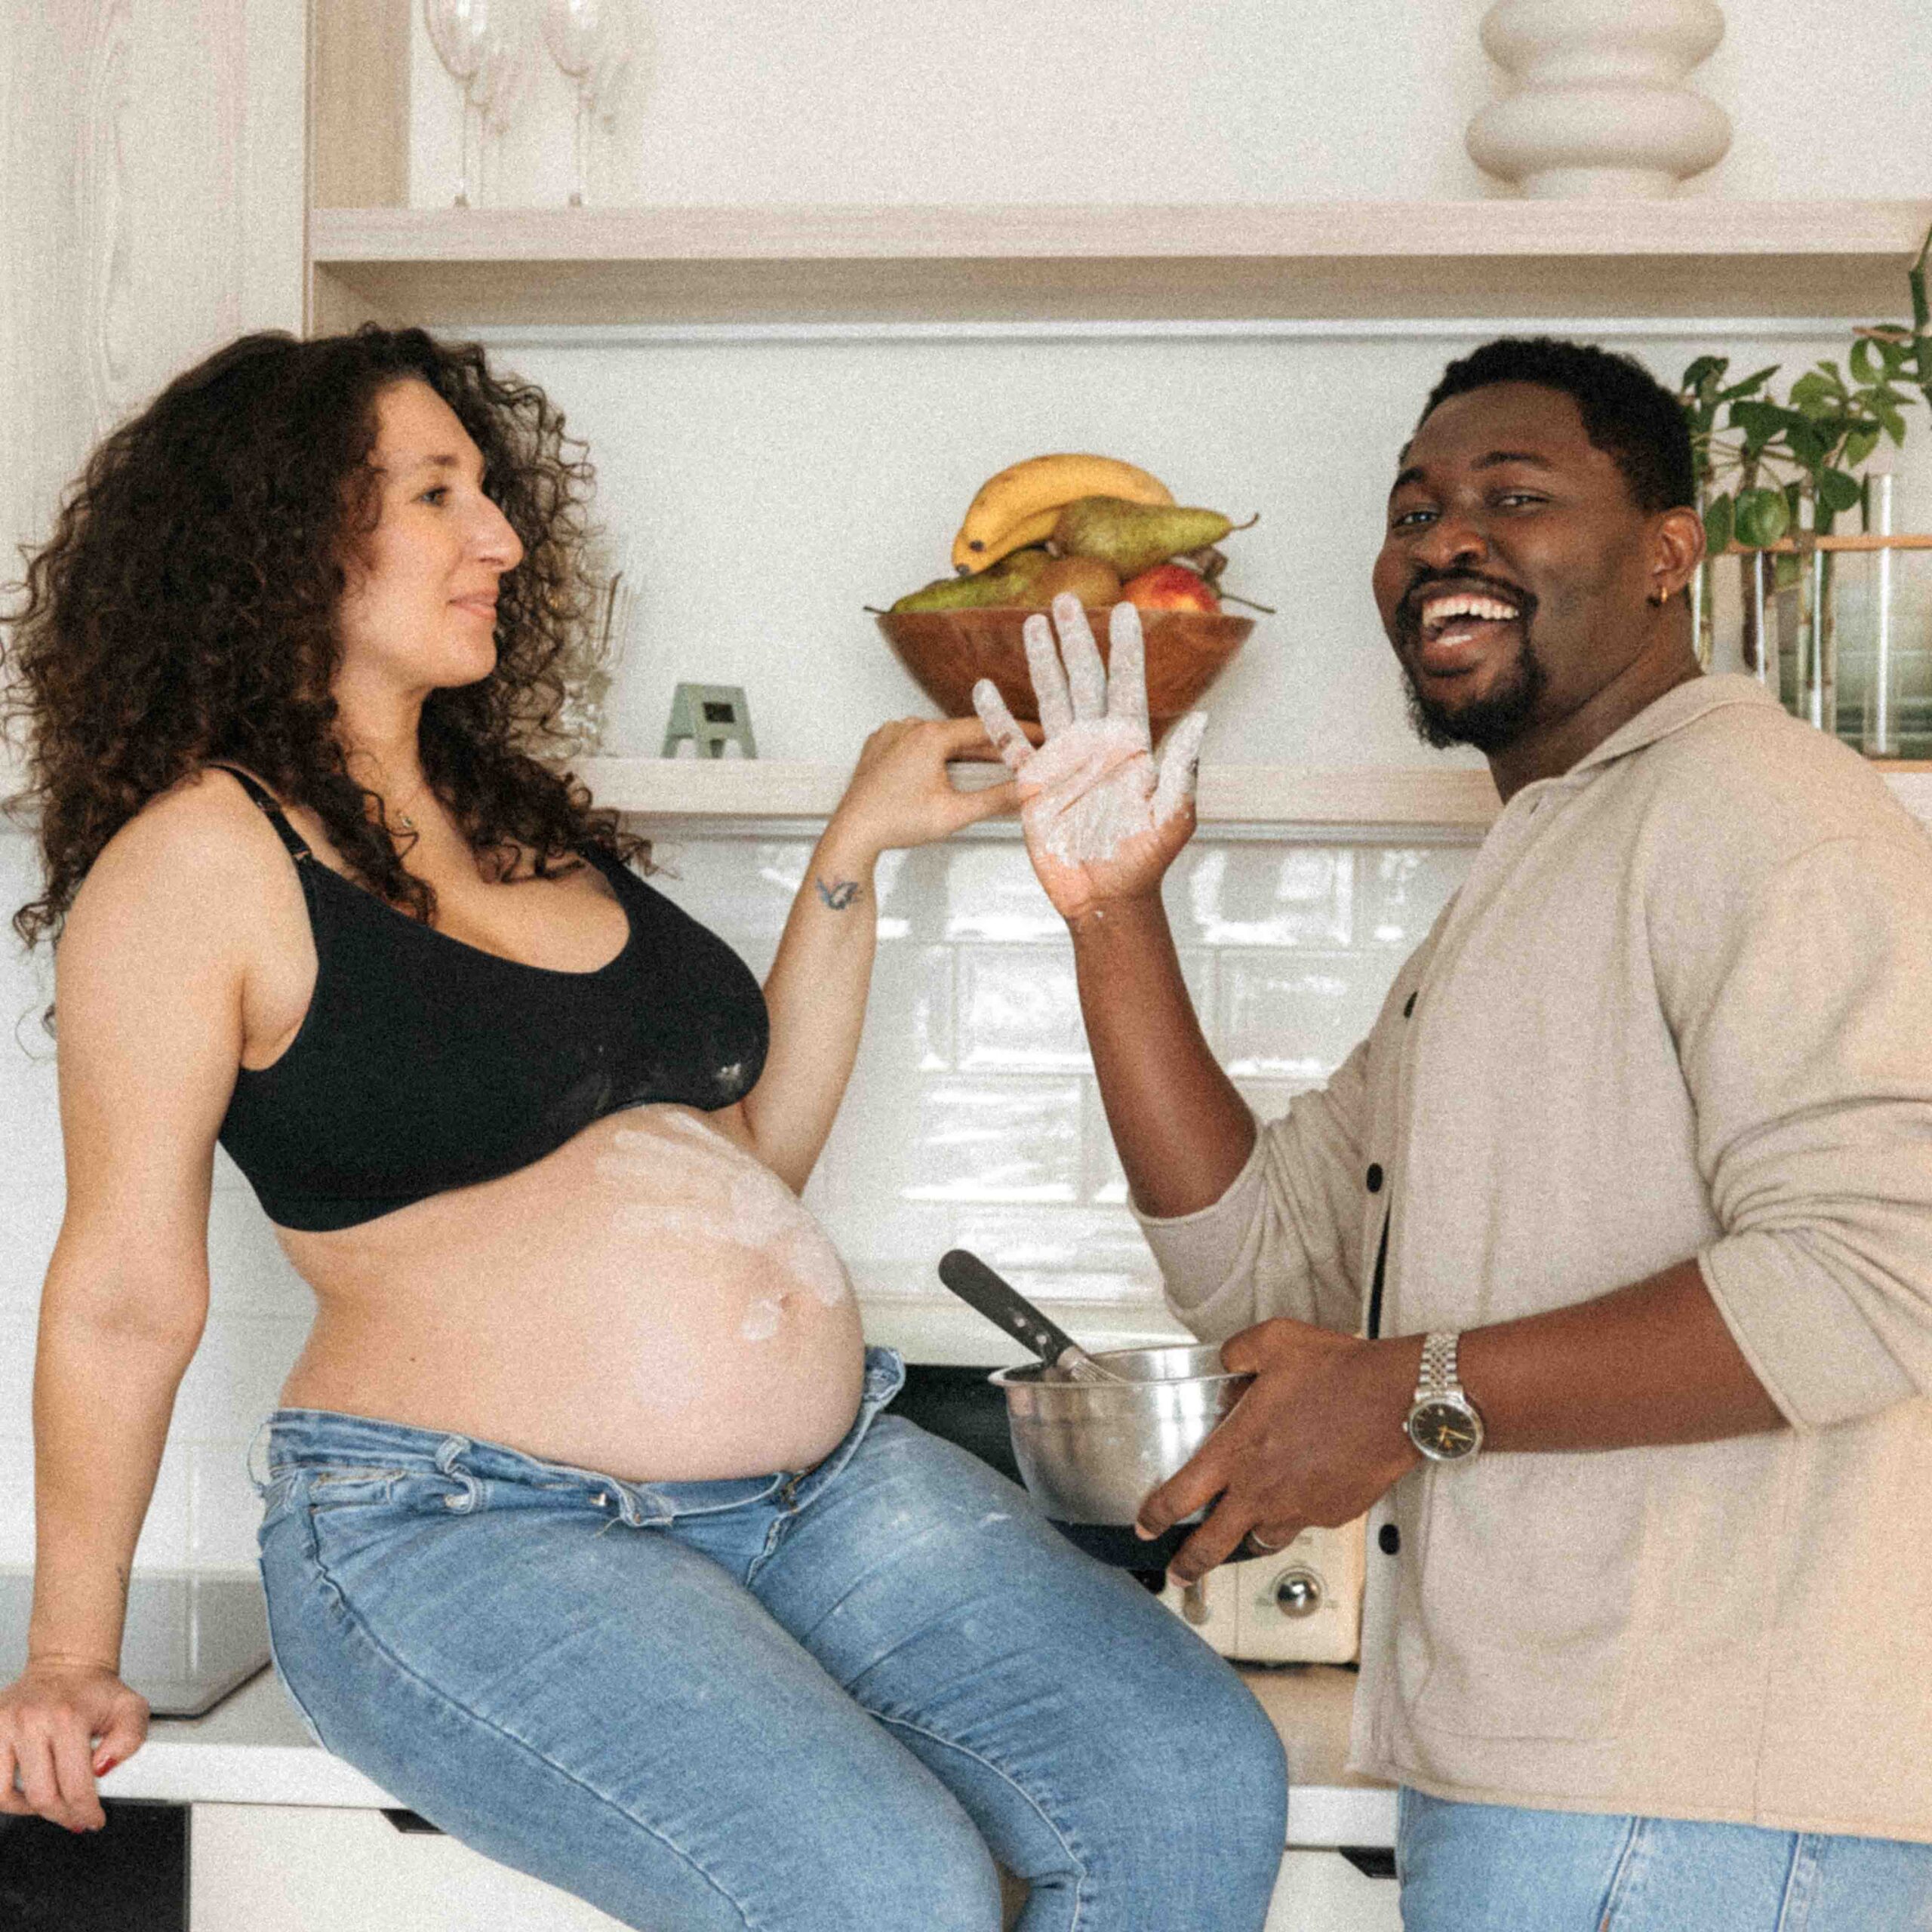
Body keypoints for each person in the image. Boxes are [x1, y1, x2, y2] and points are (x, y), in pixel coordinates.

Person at [0, 325, 1288, 1931]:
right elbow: (125, 1291)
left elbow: (741, 1168)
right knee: (884, 1884)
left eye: (490, 489)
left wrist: (855, 852)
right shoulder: (203, 858)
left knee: (1189, 1768)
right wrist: (67, 1651)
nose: (503, 538)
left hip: (815, 1489)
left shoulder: (517, 824)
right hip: (460, 1526)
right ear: (279, 534)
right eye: (436, 492)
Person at [975, 338, 1932, 1929]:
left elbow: (1877, 1272)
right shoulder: (1540, 864)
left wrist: (1399, 1391)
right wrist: (1113, 912)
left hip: (1695, 1806)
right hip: (1575, 1782)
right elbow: (1260, 1260)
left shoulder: (1766, 819)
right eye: (1411, 507)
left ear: (1664, 556)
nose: (1440, 539)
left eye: (1512, 496)